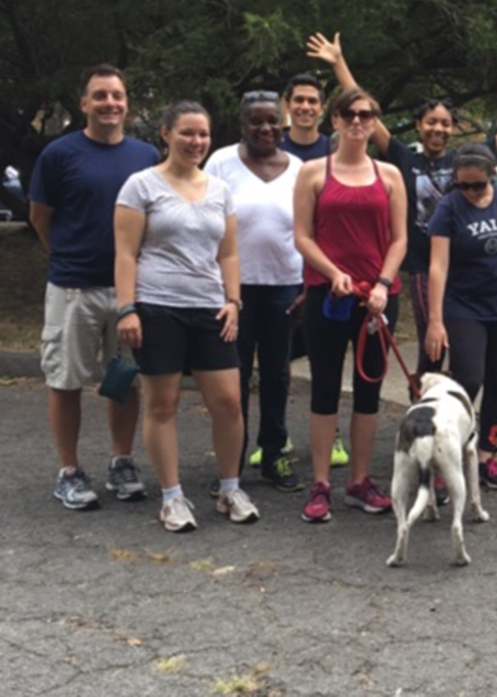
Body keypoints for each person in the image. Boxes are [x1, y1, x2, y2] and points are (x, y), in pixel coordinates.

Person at [306, 31, 497, 382]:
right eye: (431, 122)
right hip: (425, 268)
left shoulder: (467, 160)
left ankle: (454, 402)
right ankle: (425, 401)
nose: (437, 128)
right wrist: (338, 63)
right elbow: (365, 113)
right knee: (434, 345)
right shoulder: (403, 158)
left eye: (444, 123)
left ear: (453, 129)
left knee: (465, 348)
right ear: (419, 126)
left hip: (466, 265)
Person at [113, 101, 258, 532]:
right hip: (158, 307)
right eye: (187, 133)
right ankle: (172, 497)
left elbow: (229, 253)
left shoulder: (219, 189)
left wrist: (234, 301)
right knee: (163, 404)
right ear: (166, 134)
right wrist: (127, 308)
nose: (196, 142)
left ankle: (230, 489)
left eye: (203, 134)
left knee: (229, 403)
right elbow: (125, 253)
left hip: (210, 308)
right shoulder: (140, 186)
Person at [29, 64, 159, 510]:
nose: (110, 103)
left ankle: (122, 462)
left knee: (124, 379)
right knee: (66, 381)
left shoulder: (146, 156)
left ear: (127, 104)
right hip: (74, 289)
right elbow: (40, 216)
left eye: (117, 95)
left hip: (129, 292)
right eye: (100, 95)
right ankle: (69, 471)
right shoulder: (59, 154)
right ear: (84, 104)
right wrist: (66, 255)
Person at [294, 88, 408, 523]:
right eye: (349, 114)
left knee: (368, 390)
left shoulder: (390, 175)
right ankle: (321, 483)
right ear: (336, 121)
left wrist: (382, 284)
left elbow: (399, 239)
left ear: (375, 121)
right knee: (324, 386)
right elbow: (302, 236)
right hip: (327, 296)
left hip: (377, 300)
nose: (357, 121)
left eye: (366, 114)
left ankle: (360, 481)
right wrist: (332, 272)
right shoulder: (313, 172)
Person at [205, 92, 305, 491]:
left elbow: (312, 231)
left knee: (277, 375)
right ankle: (232, 460)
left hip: (286, 287)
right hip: (234, 291)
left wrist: (308, 286)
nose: (266, 128)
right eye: (256, 121)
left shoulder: (299, 169)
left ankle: (274, 453)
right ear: (241, 125)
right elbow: (206, 221)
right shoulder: (220, 163)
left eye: (272, 120)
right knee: (235, 375)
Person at [424, 144, 497, 489]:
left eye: (478, 185)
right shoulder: (449, 207)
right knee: (469, 379)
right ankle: (446, 454)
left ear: (492, 177)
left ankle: (487, 454)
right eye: (463, 185)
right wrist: (435, 320)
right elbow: (438, 266)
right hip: (464, 306)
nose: (471, 192)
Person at [279, 75, 333, 161]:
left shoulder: (334, 151)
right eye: (299, 100)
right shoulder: (273, 148)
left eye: (312, 101)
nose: (305, 107)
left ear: (322, 109)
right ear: (287, 106)